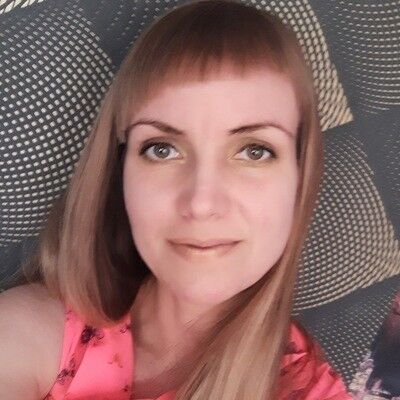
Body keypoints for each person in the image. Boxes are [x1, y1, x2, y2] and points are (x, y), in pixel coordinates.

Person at [0, 0, 352, 399]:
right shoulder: (36, 332)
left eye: (254, 151)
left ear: (300, 180)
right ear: (119, 173)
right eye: (162, 149)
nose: (201, 204)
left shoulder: (309, 388)